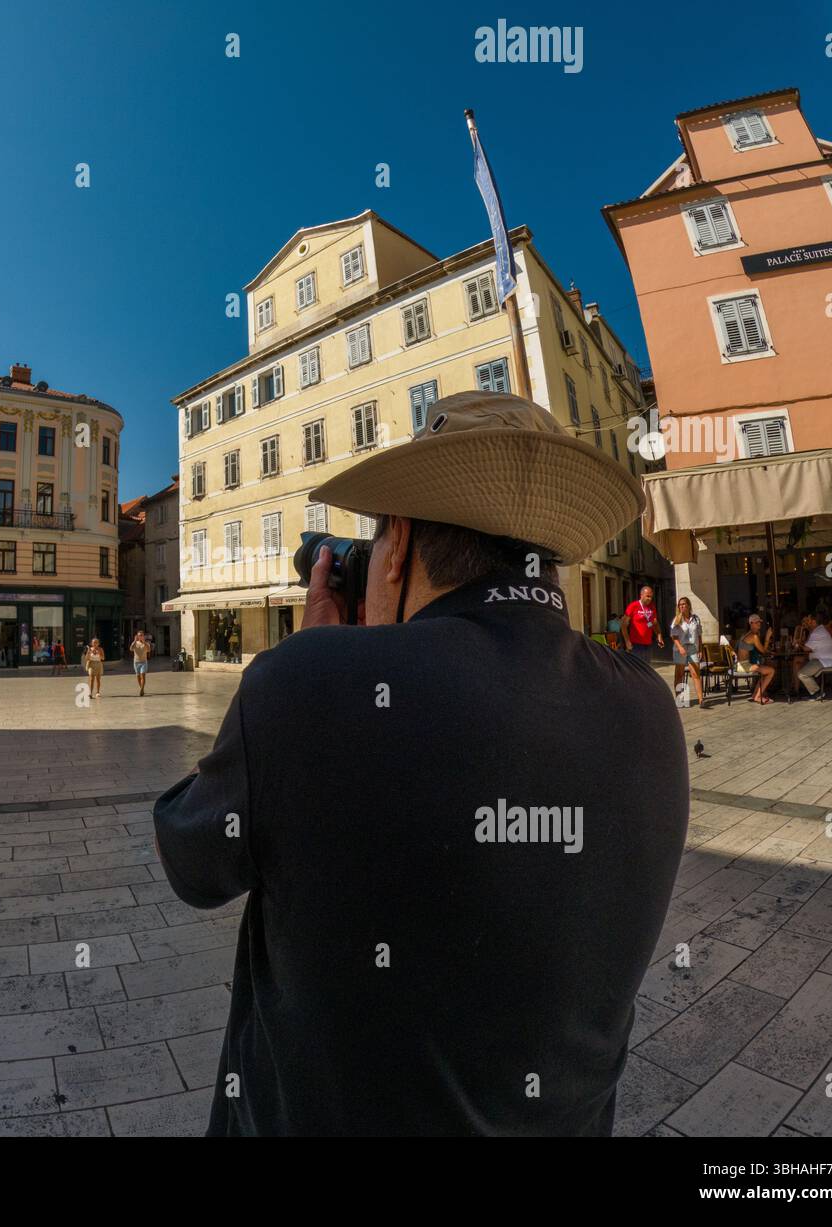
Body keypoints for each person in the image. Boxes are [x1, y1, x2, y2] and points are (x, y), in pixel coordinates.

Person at [153, 390, 688, 1137]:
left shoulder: (308, 684)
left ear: (398, 543)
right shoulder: (650, 710)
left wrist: (318, 652)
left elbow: (191, 857)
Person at [670, 597, 706, 709]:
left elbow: (699, 635)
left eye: (684, 604)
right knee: (679, 674)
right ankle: (679, 700)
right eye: (680, 604)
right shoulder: (677, 619)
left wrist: (700, 649)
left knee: (696, 673)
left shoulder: (696, 619)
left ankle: (701, 700)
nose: (681, 606)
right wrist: (680, 647)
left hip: (693, 648)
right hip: (680, 648)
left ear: (689, 605)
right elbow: (673, 636)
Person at [799, 612, 832, 701]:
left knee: (802, 674)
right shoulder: (817, 631)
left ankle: (817, 693)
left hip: (824, 660)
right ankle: (805, 690)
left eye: (808, 620)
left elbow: (806, 648)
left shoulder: (817, 633)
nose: (806, 622)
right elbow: (808, 644)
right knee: (798, 662)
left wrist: (798, 644)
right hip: (820, 659)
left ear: (814, 622)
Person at [737, 613, 775, 704]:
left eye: (759, 622)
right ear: (751, 623)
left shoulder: (747, 634)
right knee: (771, 671)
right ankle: (758, 696)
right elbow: (763, 651)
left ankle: (756, 695)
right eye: (756, 622)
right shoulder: (754, 636)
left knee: (765, 670)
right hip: (744, 666)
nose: (759, 624)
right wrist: (767, 637)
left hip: (741, 664)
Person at [621, 586, 665, 662]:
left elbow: (654, 623)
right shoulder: (633, 606)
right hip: (635, 644)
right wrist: (627, 642)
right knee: (636, 668)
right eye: (647, 596)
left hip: (648, 644)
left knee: (646, 667)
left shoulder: (652, 607)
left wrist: (659, 635)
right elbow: (623, 625)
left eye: (651, 597)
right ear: (641, 595)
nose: (649, 599)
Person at [130, 630, 151, 697]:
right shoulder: (135, 643)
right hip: (136, 662)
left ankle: (141, 690)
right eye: (139, 635)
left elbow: (149, 650)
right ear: (137, 636)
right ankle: (142, 688)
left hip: (144, 662)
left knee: (143, 676)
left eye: (141, 635)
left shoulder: (146, 643)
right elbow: (131, 649)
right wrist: (134, 641)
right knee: (138, 677)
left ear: (143, 636)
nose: (140, 636)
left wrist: (144, 642)